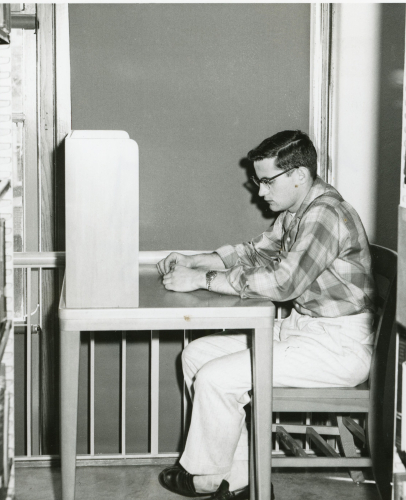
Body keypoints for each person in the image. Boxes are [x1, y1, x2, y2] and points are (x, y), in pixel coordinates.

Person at [157, 130, 376, 500]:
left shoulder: (325, 214)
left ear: (299, 176)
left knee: (215, 378)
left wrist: (205, 280)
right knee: (196, 356)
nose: (260, 192)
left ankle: (208, 477)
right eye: (258, 182)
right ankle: (241, 479)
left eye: (267, 182)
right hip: (304, 331)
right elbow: (255, 253)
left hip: (339, 347)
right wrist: (195, 259)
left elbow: (283, 284)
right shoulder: (298, 210)